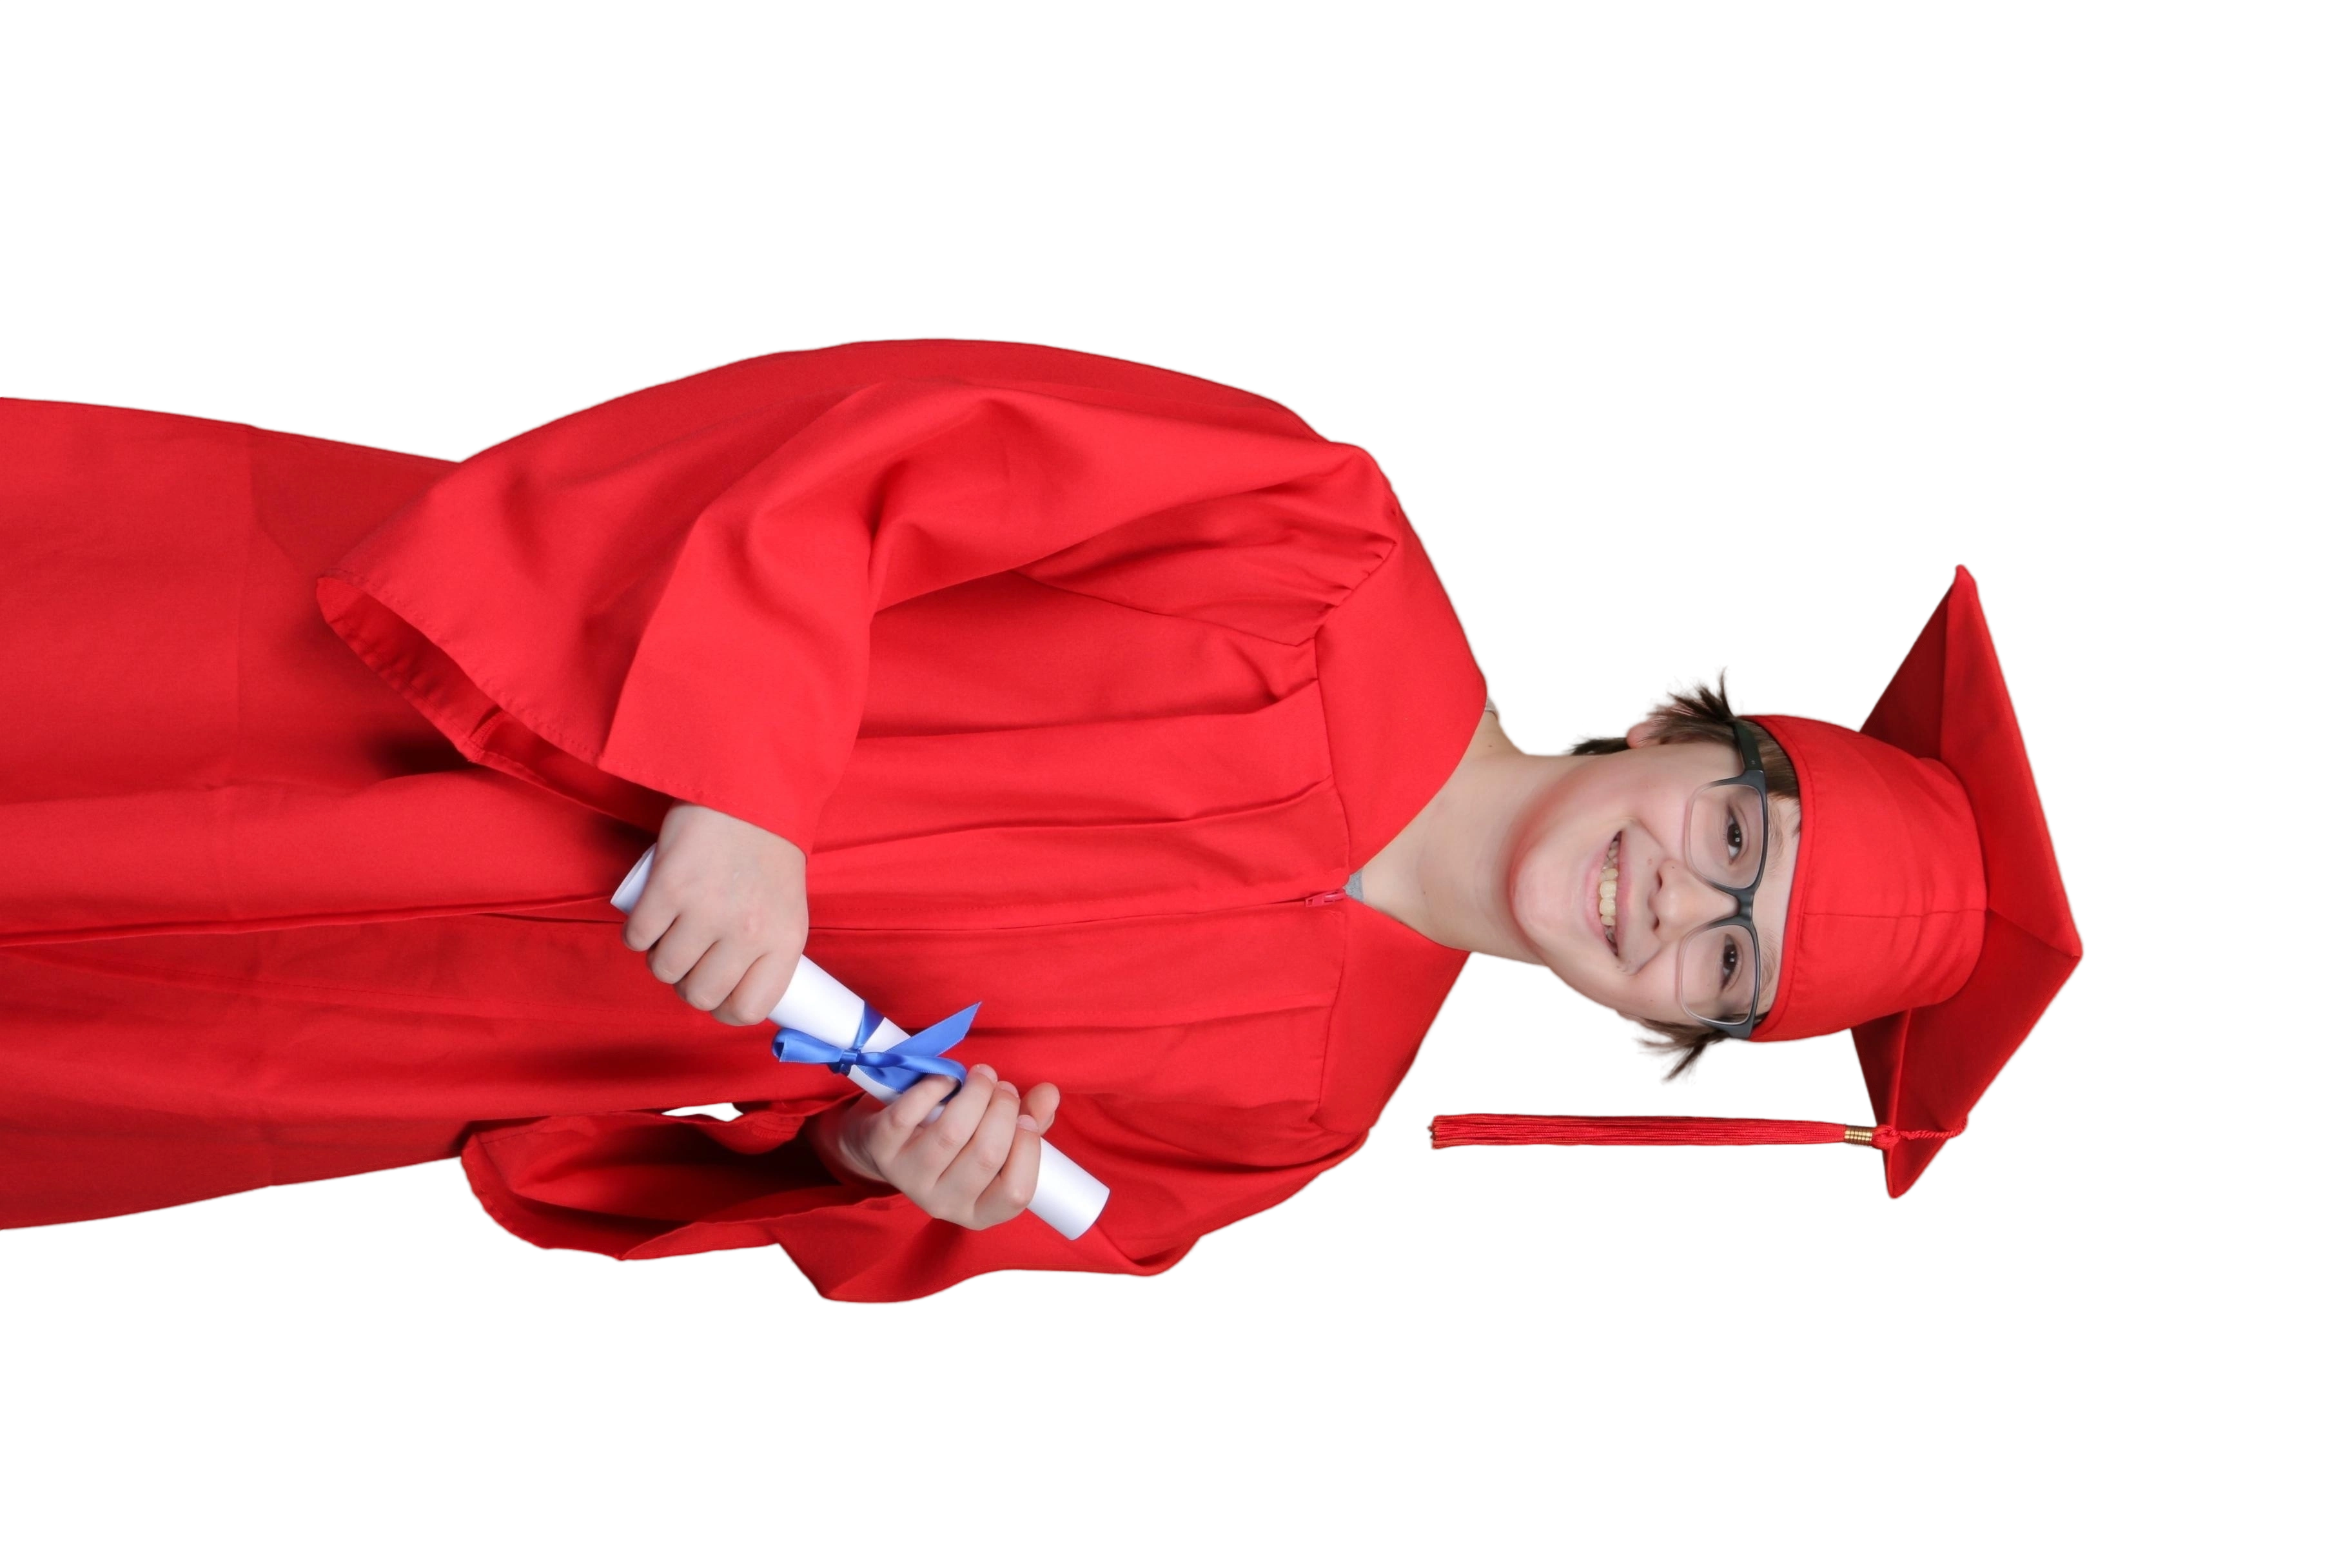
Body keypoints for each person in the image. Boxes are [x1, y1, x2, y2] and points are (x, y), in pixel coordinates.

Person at [1, 338, 2061, 1304]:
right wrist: (744, 781)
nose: (1674, 902)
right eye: (1736, 840)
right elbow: (875, 446)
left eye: (1726, 965)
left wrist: (881, 1161)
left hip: (374, 1028)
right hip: (382, 703)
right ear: (1692, 727)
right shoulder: (1313, 543)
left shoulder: (1294, 1116)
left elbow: (833, 1204)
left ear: (1673, 1035)